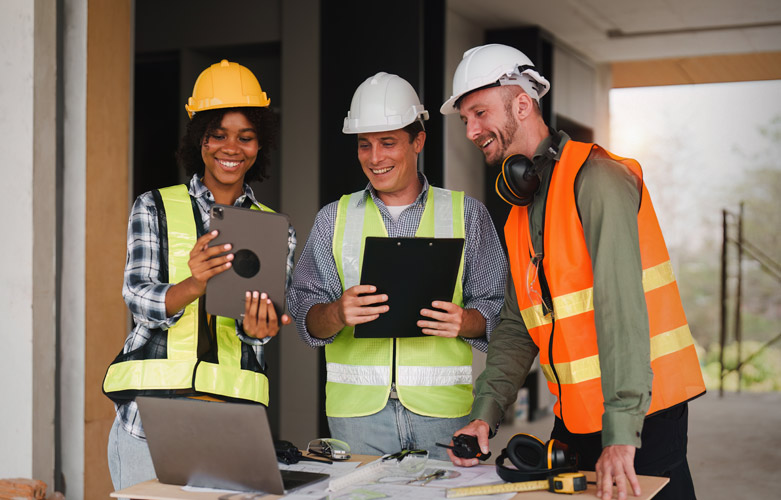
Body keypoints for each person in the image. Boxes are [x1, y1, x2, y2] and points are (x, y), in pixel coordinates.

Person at [440, 44, 705, 500]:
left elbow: (620, 307)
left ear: (521, 103)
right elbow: (516, 325)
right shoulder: (520, 213)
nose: (471, 130)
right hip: (576, 416)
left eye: (479, 113)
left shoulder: (598, 179)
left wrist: (621, 433)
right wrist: (487, 411)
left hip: (642, 415)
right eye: (465, 119)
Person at [287, 72, 507, 461]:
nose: (375, 158)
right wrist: (337, 312)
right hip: (356, 417)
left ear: (418, 141)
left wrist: (466, 321)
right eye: (364, 145)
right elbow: (305, 316)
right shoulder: (332, 219)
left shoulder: (467, 214)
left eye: (388, 143)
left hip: (443, 414)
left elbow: (501, 312)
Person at [103, 60, 296, 491]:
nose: (232, 148)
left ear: (259, 144)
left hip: (231, 419)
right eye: (219, 135)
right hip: (148, 420)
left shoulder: (274, 228)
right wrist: (194, 285)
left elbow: (255, 334)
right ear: (199, 139)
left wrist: (260, 327)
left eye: (246, 137)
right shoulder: (154, 206)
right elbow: (138, 298)